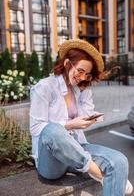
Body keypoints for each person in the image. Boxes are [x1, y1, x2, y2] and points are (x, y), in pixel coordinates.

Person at [30, 39, 133, 196]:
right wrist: (70, 124)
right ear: (66, 64)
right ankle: (98, 175)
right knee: (52, 130)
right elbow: (37, 128)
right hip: (51, 162)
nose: (83, 77)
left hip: (76, 150)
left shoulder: (82, 89)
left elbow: (86, 113)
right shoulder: (45, 87)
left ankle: (91, 168)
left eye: (87, 74)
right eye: (80, 71)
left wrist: (89, 118)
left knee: (119, 161)